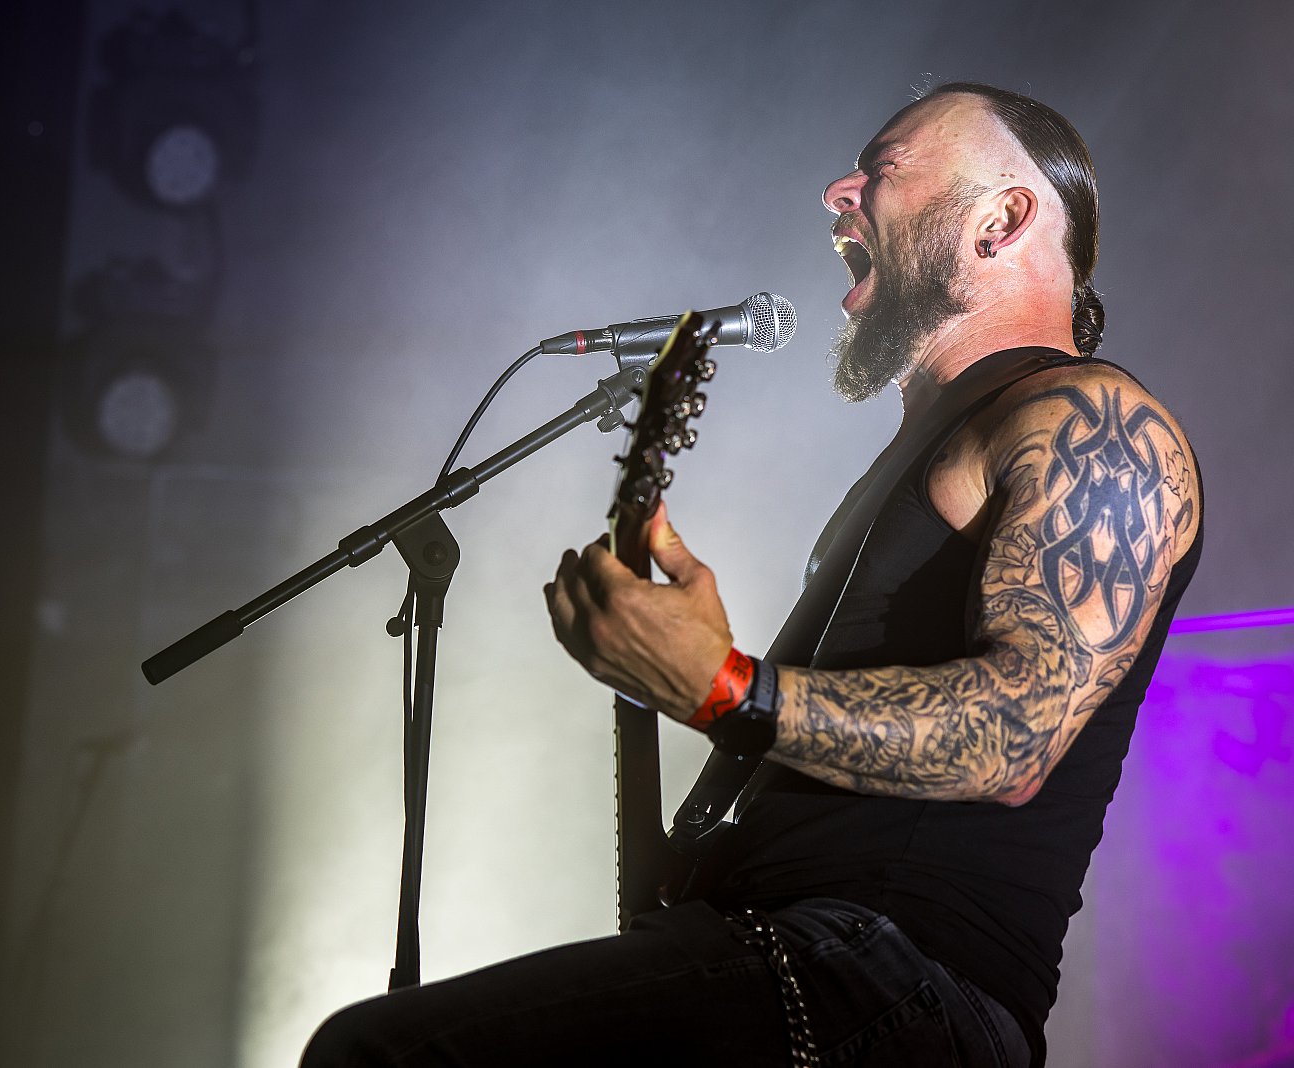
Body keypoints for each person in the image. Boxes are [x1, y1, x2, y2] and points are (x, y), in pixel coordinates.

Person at [302, 82, 1201, 1068]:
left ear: (1001, 219)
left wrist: (723, 688)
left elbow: (1015, 739)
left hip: (893, 982)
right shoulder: (921, 457)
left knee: (378, 1054)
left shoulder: (1093, 424)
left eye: (885, 168)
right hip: (798, 951)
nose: (837, 192)